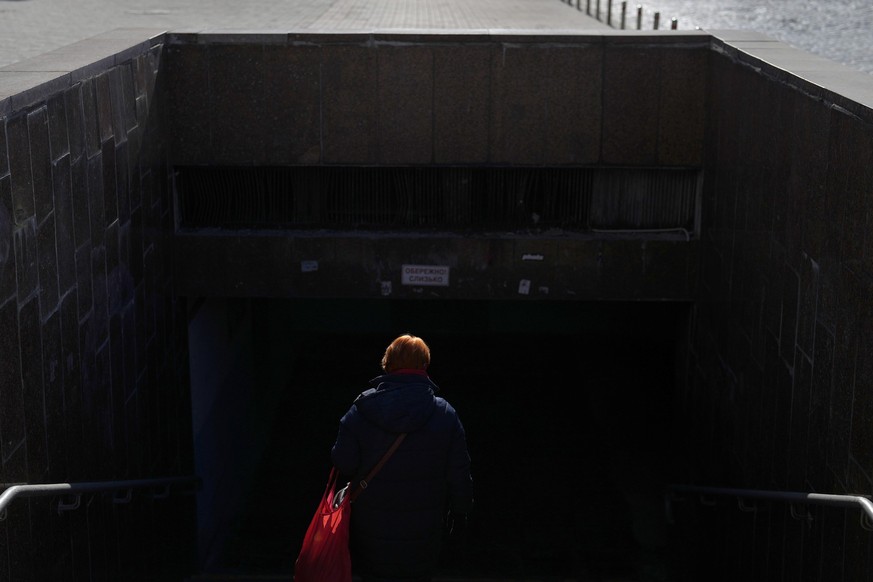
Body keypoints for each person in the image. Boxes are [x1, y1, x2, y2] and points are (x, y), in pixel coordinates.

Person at [331, 334, 474, 582]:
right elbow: (459, 473)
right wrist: (460, 512)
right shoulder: (445, 414)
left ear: (387, 364)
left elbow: (344, 463)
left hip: (372, 525)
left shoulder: (360, 410)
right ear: (424, 366)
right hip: (424, 526)